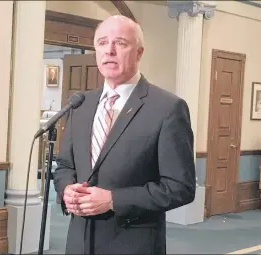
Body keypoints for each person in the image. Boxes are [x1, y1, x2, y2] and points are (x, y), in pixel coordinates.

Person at [54, 15, 196, 255]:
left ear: (139, 53)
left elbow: (180, 187)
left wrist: (113, 200)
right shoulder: (81, 104)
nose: (109, 51)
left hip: (132, 243)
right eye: (102, 43)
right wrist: (66, 189)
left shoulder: (167, 108)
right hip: (79, 242)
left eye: (120, 43)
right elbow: (65, 165)